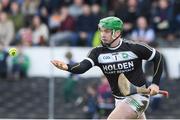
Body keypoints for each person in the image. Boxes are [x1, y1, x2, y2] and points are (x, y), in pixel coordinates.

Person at [51, 16, 164, 119]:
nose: (102, 34)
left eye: (107, 31)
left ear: (117, 32)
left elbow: (158, 57)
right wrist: (67, 67)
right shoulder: (97, 53)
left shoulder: (134, 48)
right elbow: (82, 67)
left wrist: (155, 83)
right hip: (119, 100)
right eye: (101, 31)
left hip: (138, 97)